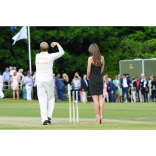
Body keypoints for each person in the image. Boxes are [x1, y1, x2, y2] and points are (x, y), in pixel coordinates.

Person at [36, 41, 64, 125]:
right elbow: (62, 52)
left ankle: (43, 118)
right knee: (51, 98)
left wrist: (51, 61)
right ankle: (49, 116)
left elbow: (44, 62)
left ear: (41, 49)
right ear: (48, 48)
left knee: (42, 100)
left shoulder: (37, 56)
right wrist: (58, 44)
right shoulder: (50, 56)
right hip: (48, 80)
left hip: (39, 80)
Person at [87, 43, 104, 124]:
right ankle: (101, 116)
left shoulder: (90, 58)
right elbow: (102, 70)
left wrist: (88, 77)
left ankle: (97, 117)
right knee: (100, 97)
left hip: (93, 79)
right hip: (100, 78)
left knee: (95, 98)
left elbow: (88, 70)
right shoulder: (102, 58)